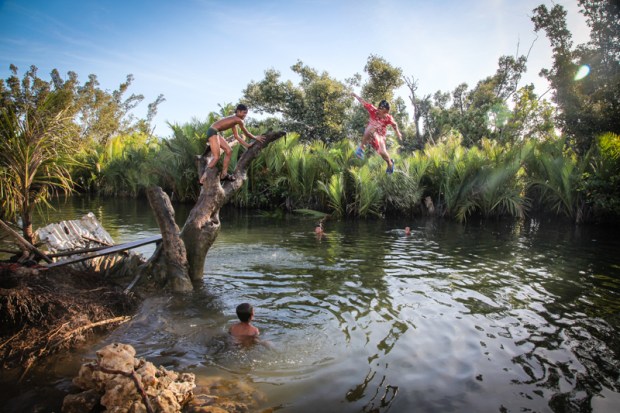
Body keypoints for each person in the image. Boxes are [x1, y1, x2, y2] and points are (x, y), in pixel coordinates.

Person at [200, 104, 265, 184]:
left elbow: (236, 136)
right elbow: (246, 133)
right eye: (244, 113)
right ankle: (203, 178)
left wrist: (247, 145)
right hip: (213, 132)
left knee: (228, 150)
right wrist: (256, 137)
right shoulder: (238, 120)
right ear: (238, 111)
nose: (245, 115)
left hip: (215, 132)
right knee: (216, 157)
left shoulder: (234, 121)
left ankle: (224, 175)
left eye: (246, 113)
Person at [351, 93, 402, 174]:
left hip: (381, 136)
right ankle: (361, 148)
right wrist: (355, 95)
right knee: (372, 127)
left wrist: (398, 133)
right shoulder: (372, 110)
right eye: (384, 112)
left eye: (387, 112)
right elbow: (363, 102)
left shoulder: (388, 117)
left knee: (382, 152)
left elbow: (394, 124)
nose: (385, 115)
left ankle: (390, 163)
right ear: (379, 109)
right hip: (370, 134)